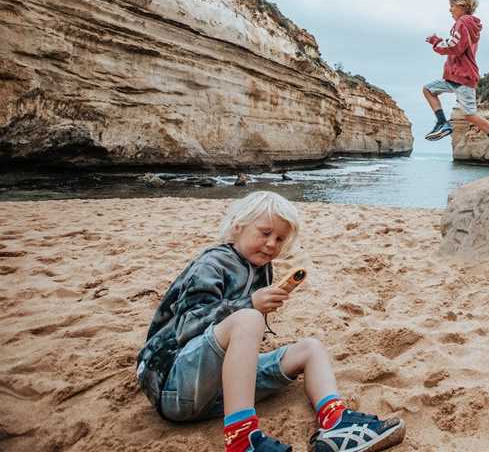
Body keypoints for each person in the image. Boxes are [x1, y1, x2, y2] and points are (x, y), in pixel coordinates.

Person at [136, 191, 406, 452]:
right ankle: (241, 440)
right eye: (265, 233)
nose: (271, 244)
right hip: (175, 387)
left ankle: (335, 422)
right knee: (248, 318)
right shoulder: (213, 263)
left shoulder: (259, 268)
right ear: (238, 226)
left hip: (219, 391)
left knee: (310, 348)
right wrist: (249, 305)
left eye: (280, 239)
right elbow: (186, 327)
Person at [422, 0, 489, 167]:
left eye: (452, 6)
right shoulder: (467, 24)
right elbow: (457, 44)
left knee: (470, 115)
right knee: (428, 89)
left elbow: (455, 46)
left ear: (462, 5)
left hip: (462, 77)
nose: (449, 9)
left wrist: (436, 42)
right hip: (456, 76)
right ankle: (443, 123)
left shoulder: (463, 22)